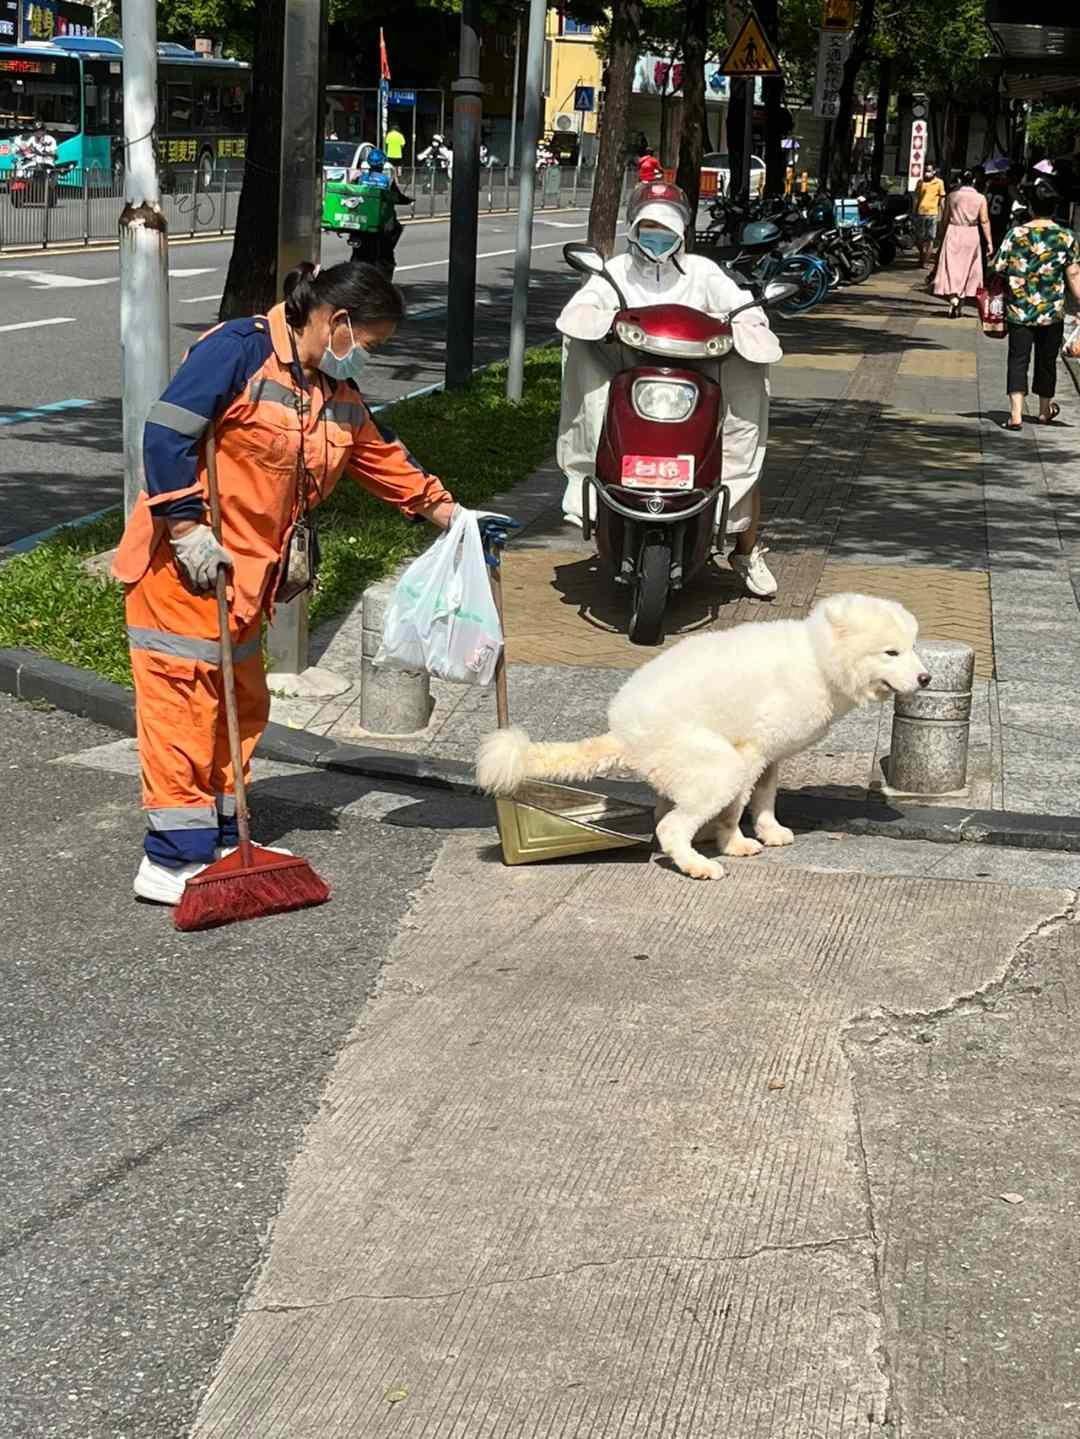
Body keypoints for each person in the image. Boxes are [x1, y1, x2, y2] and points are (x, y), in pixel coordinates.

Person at [111, 263, 459, 904]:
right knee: (185, 711)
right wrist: (188, 529)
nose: (368, 357)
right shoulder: (237, 350)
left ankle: (220, 837)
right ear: (338, 321)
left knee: (240, 710)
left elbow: (380, 455)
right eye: (371, 343)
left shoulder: (331, 388)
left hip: (247, 584)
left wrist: (454, 517)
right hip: (185, 570)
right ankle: (169, 860)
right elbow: (165, 434)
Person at [556, 181, 782, 599]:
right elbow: (581, 308)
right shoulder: (617, 272)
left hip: (701, 380)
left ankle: (746, 549)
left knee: (739, 437)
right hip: (630, 378)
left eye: (666, 229)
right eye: (648, 228)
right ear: (633, 229)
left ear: (681, 233)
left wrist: (746, 325)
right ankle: (591, 491)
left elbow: (742, 306)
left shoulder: (702, 272)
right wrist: (603, 322)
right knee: (582, 367)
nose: (656, 238)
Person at [989, 179, 1080, 431]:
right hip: (1052, 312)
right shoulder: (1066, 237)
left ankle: (1016, 415)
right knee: (1046, 360)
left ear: (1030, 207)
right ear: (1054, 207)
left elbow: (997, 266)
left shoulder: (1015, 234)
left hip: (1019, 310)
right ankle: (1043, 411)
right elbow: (1073, 275)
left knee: (1018, 359)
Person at [933, 169, 992, 318]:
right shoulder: (980, 198)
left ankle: (954, 297)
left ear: (960, 181)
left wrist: (940, 235)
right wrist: (989, 241)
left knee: (952, 267)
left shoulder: (952, 196)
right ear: (974, 181)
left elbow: (945, 218)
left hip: (953, 231)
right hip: (971, 233)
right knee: (969, 269)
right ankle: (962, 300)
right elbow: (984, 220)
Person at [912, 163, 945, 267]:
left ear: (934, 171)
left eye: (929, 170)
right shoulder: (920, 182)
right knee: (919, 239)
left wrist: (944, 213)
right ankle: (921, 255)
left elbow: (942, 198)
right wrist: (913, 211)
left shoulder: (939, 183)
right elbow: (916, 197)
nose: (927, 172)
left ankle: (925, 261)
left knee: (930, 238)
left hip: (933, 213)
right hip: (920, 213)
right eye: (926, 170)